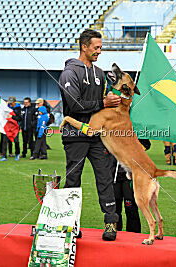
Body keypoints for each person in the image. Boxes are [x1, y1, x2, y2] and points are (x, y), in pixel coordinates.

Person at [58, 29, 121, 241]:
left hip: (97, 136)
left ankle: (111, 222)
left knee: (104, 177)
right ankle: (70, 224)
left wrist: (110, 101)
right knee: (73, 179)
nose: (99, 51)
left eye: (101, 47)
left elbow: (101, 104)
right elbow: (74, 105)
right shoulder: (69, 73)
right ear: (84, 46)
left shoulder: (100, 73)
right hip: (75, 134)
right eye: (96, 47)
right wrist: (103, 103)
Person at [112, 139, 150, 233]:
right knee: (115, 207)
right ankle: (115, 231)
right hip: (113, 174)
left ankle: (134, 234)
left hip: (130, 175)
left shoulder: (135, 129)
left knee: (131, 206)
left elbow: (146, 144)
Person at [0, 96, 21, 161]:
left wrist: (12, 117)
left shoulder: (18, 108)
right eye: (10, 102)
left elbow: (19, 118)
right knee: (4, 141)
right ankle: (4, 156)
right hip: (7, 127)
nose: (11, 104)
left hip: (15, 128)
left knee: (16, 141)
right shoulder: (6, 107)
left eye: (12, 103)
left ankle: (17, 154)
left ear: (15, 102)